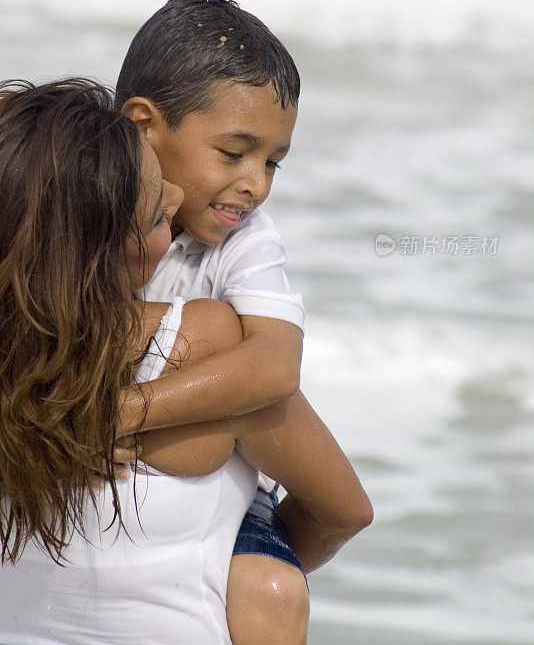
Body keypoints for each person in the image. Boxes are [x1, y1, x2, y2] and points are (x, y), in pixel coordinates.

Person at [0, 79, 372, 644]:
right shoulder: (200, 342)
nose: (173, 207)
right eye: (153, 216)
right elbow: (344, 511)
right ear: (102, 249)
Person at [115, 0, 310, 644]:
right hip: (80, 454)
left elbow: (274, 365)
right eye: (234, 153)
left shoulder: (246, 240)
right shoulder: (75, 199)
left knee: (273, 595)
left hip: (221, 483)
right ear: (144, 126)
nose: (256, 183)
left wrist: (114, 415)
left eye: (273, 162)